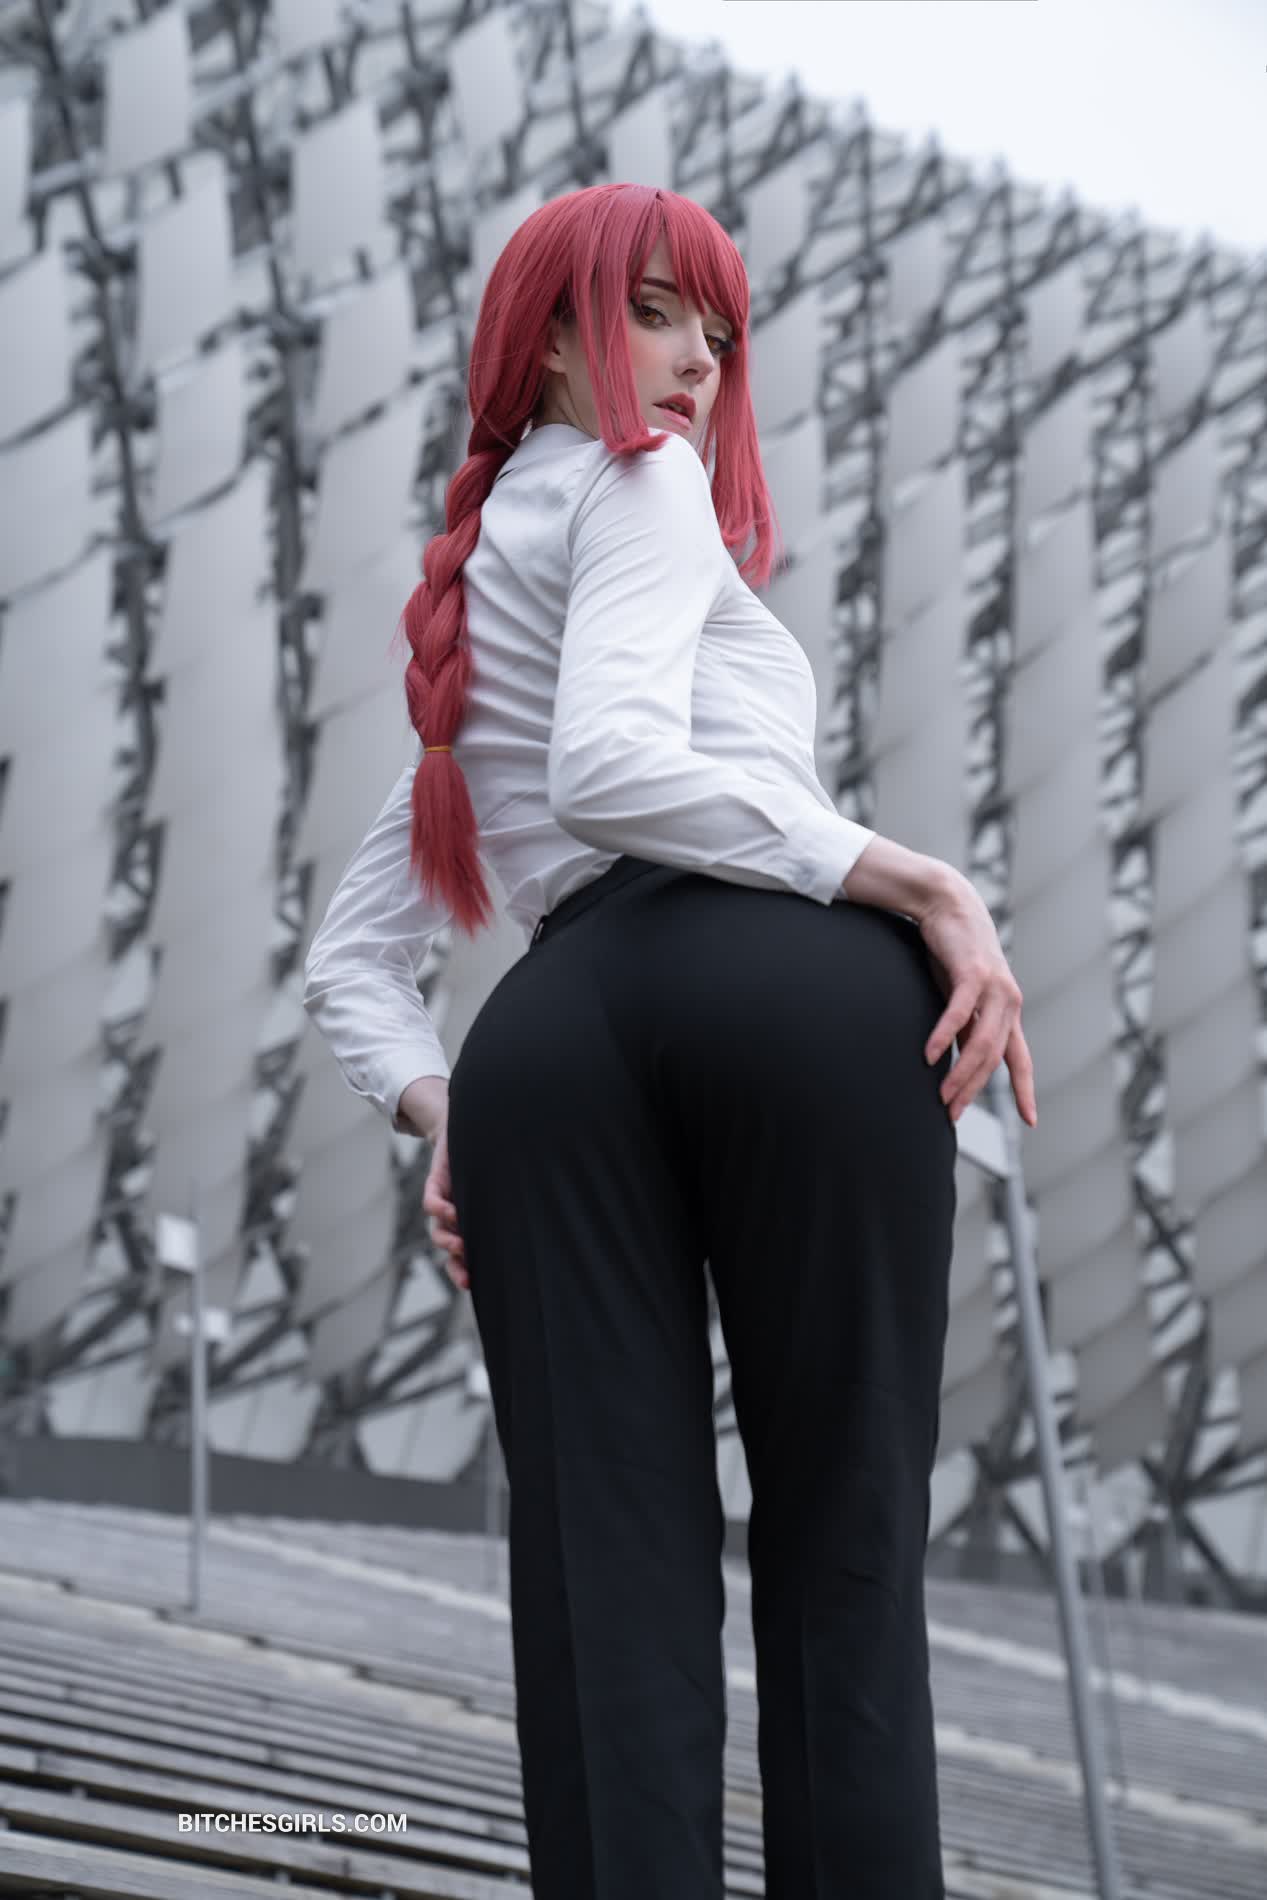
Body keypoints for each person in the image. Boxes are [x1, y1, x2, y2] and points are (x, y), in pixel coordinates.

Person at [303, 182, 1037, 1900]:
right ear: (551, 344)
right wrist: (920, 880)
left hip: (552, 1046)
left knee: (600, 1570)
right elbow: (614, 769)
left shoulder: (474, 605)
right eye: (652, 310)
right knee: (844, 1532)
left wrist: (448, 1110)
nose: (699, 355)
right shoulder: (642, 487)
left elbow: (350, 964)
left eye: (716, 324)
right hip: (778, 996)